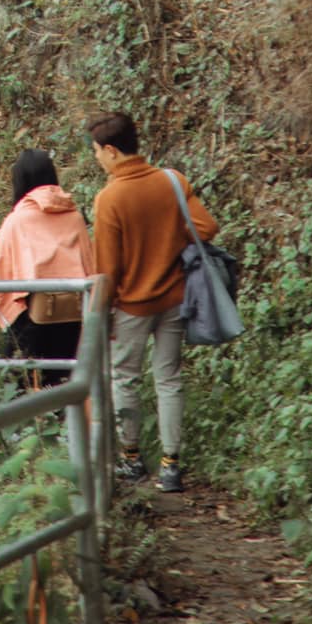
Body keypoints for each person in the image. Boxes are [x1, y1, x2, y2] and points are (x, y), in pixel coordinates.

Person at [88, 111, 219, 495]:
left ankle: (132, 458)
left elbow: (107, 269)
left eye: (97, 151)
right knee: (169, 378)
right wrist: (170, 239)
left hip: (131, 305)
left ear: (111, 151)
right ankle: (171, 465)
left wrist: (103, 312)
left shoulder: (110, 197)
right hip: (176, 298)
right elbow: (207, 228)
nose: (96, 158)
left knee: (124, 378)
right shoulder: (172, 180)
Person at [0, 149, 94, 369]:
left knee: (27, 380)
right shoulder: (74, 216)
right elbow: (90, 263)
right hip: (74, 314)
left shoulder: (18, 220)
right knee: (67, 377)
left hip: (35, 318)